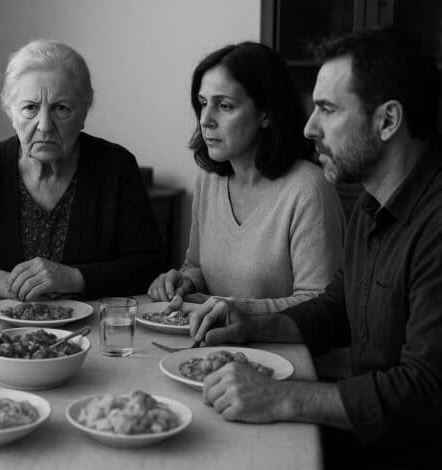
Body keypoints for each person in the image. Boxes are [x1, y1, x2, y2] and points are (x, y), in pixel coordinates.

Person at [188, 27, 442, 466]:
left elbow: (424, 390)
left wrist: (282, 397)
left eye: (327, 109)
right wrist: (250, 323)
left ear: (387, 121)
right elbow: (334, 311)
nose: (309, 127)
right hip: (366, 435)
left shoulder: (435, 223)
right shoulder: (370, 206)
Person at [0, 39, 167, 300]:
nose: (45, 125)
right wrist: (8, 284)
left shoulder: (117, 167)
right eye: (30, 108)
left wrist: (73, 278)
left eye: (61, 109)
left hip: (92, 324)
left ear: (84, 112)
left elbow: (150, 265)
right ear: (11, 112)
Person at [147, 42, 344, 314]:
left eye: (224, 106)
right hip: (213, 339)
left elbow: (319, 306)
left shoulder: (309, 189)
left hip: (280, 343)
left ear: (266, 113)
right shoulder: (208, 180)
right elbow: (196, 266)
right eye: (203, 104)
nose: (205, 120)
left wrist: (235, 311)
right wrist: (185, 283)